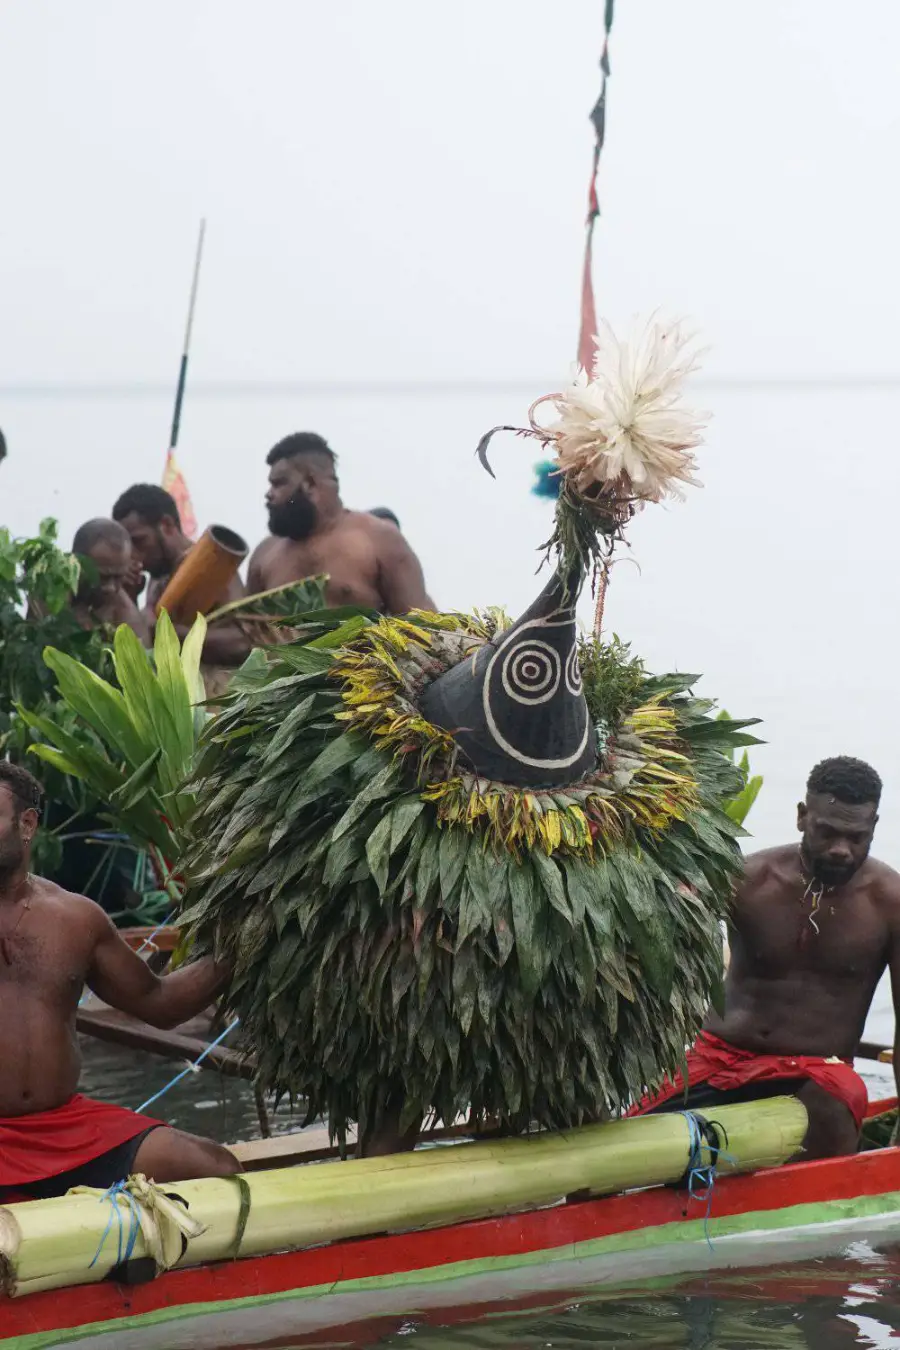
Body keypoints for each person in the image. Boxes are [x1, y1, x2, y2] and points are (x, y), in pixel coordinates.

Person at [631, 756, 900, 1160]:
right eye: (827, 832)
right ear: (802, 817)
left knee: (836, 1105)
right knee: (628, 1136)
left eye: (856, 837)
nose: (841, 849)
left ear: (874, 826)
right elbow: (660, 937)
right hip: (720, 1056)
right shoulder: (746, 877)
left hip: (818, 1071)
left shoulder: (890, 903)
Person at [0, 761, 240, 1199]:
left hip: (65, 1131)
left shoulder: (76, 918)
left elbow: (160, 1002)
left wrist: (245, 941)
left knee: (215, 1168)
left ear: (27, 824)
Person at [247, 433, 433, 612]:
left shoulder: (380, 542)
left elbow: (418, 626)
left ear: (310, 484)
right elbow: (245, 628)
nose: (269, 494)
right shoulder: (264, 556)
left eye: (279, 483)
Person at [112, 485, 251, 689]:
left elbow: (243, 643)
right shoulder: (157, 577)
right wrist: (129, 597)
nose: (133, 554)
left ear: (167, 525)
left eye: (139, 541)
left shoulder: (213, 563)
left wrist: (167, 633)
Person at [69, 518, 148, 640]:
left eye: (118, 577)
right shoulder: (50, 592)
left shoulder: (126, 619)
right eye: (103, 577)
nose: (111, 588)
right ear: (76, 564)